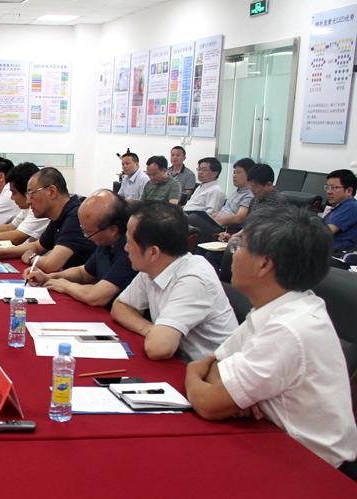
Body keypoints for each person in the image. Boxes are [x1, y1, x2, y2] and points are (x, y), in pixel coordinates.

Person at [185, 206, 357, 479]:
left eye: (239, 246)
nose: (232, 253)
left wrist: (192, 371)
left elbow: (208, 402)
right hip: (272, 440)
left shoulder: (289, 327)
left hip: (312, 469)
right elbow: (216, 368)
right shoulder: (276, 306)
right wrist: (228, 393)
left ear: (264, 265)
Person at [112, 202, 238, 361]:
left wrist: (157, 335)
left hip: (209, 370)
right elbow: (120, 307)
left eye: (130, 242)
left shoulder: (193, 279)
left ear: (153, 252)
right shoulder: (154, 266)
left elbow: (158, 348)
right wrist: (150, 330)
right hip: (179, 361)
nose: (125, 248)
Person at [26, 190, 135, 308]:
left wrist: (66, 286)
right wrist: (49, 277)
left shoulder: (131, 250)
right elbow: (83, 273)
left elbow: (96, 296)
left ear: (112, 230)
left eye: (88, 233)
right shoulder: (106, 241)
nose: (86, 237)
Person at [0, 168, 93, 273]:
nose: (28, 201)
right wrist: (2, 252)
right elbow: (38, 246)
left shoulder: (76, 216)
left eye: (31, 194)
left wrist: (31, 257)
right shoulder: (59, 215)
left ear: (51, 192)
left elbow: (50, 264)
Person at [213, 157, 255, 235]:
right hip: (218, 224)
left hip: (225, 229)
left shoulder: (249, 195)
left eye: (238, 172)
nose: (234, 176)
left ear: (249, 175)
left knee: (194, 219)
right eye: (234, 173)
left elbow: (239, 218)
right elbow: (225, 210)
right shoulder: (238, 192)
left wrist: (215, 221)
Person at [322, 169, 357, 251]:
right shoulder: (339, 207)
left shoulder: (351, 206)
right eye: (327, 187)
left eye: (334, 188)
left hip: (335, 254)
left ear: (349, 191)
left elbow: (323, 233)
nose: (328, 192)